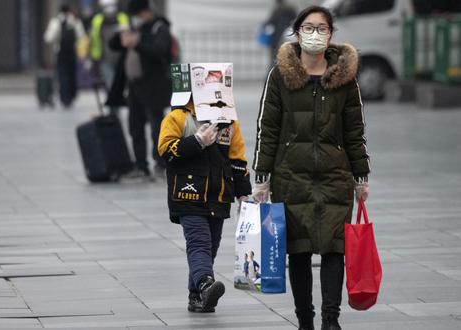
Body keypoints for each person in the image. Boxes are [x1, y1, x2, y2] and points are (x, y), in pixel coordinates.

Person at [252, 6, 370, 330]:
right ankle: (305, 319)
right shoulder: (279, 76)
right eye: (308, 27)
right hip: (292, 176)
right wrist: (261, 178)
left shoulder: (345, 78)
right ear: (297, 31)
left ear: (331, 34)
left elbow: (355, 130)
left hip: (336, 176)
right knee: (299, 251)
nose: (314, 33)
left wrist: (361, 177)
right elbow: (268, 128)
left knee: (335, 249)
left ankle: (331, 320)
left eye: (321, 27)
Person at [158, 97, 252, 313]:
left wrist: (243, 193)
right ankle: (206, 284)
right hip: (188, 195)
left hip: (218, 196)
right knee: (199, 243)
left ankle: (197, 296)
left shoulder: (228, 122)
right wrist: (197, 141)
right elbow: (165, 150)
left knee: (211, 247)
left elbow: (237, 160)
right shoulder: (178, 117)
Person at [109, 0, 172, 180]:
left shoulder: (159, 28)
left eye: (137, 15)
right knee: (135, 127)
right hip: (134, 87)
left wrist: (137, 44)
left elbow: (159, 51)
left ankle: (160, 165)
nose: (135, 19)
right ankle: (141, 166)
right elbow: (114, 46)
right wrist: (121, 35)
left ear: (146, 12)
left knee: (156, 128)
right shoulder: (135, 29)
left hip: (154, 86)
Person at [44, 5, 86, 109]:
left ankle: (65, 98)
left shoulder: (56, 21)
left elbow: (48, 38)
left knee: (63, 76)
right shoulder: (75, 21)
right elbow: (81, 36)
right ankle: (71, 96)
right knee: (71, 75)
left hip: (61, 53)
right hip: (72, 52)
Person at [89, 0, 129, 94]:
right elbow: (93, 39)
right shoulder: (97, 20)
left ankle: (115, 102)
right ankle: (113, 104)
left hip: (120, 57)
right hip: (104, 57)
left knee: (118, 82)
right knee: (109, 81)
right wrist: (92, 56)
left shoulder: (122, 18)